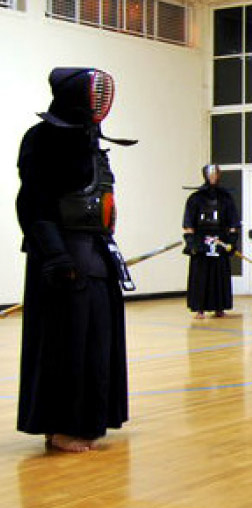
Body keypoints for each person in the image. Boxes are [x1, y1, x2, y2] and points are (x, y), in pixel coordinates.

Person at [16, 67, 136, 452]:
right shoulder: (41, 140)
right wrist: (54, 254)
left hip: (96, 255)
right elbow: (33, 204)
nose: (99, 102)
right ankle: (60, 426)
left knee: (97, 341)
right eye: (92, 94)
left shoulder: (90, 142)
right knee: (64, 344)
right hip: (64, 258)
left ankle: (89, 420)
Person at [182, 164, 241, 319]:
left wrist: (232, 242)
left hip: (221, 241)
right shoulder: (194, 199)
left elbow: (234, 223)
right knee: (201, 276)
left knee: (219, 275)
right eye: (210, 174)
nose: (213, 177)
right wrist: (192, 243)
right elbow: (188, 223)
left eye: (215, 173)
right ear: (205, 175)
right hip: (201, 243)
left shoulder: (226, 199)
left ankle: (219, 307)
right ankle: (199, 308)